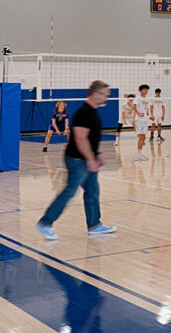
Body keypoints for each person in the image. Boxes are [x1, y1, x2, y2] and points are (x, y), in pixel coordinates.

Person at [36, 80, 117, 240]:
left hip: (87, 158)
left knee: (92, 191)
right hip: (77, 160)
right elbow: (80, 139)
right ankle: (45, 222)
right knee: (70, 191)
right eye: (105, 95)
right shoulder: (84, 112)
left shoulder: (92, 111)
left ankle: (95, 225)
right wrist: (90, 159)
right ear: (96, 94)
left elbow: (90, 138)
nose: (107, 98)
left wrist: (96, 156)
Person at [131, 85, 152, 161]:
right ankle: (138, 155)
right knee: (141, 136)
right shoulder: (138, 98)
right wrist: (138, 113)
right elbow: (133, 106)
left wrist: (148, 114)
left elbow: (147, 108)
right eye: (144, 89)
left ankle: (140, 154)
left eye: (147, 89)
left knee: (143, 136)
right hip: (139, 120)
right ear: (140, 90)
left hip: (145, 119)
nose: (146, 90)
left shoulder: (147, 98)